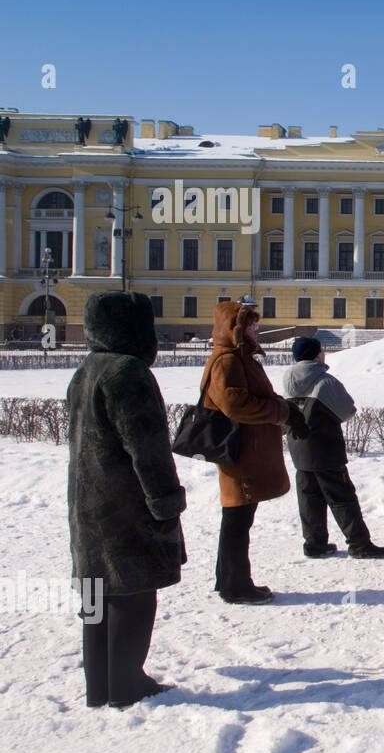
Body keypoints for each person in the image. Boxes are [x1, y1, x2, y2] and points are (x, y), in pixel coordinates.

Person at [67, 291, 186, 708]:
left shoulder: (86, 371)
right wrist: (166, 504)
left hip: (88, 507)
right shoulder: (128, 373)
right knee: (133, 595)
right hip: (126, 510)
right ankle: (126, 684)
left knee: (96, 595)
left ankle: (99, 685)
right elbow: (148, 450)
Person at [202, 299, 305, 604]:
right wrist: (281, 413)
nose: (255, 330)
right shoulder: (228, 360)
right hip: (240, 452)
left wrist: (284, 409)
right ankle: (237, 585)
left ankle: (228, 579)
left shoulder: (240, 358)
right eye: (249, 325)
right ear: (234, 329)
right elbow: (235, 405)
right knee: (237, 519)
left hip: (247, 450)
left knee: (237, 518)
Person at [283, 336, 384, 559]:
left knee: (309, 496)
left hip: (297, 445)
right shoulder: (325, 382)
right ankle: (359, 543)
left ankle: (314, 544)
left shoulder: (288, 378)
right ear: (316, 354)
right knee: (341, 496)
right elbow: (347, 410)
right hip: (324, 446)